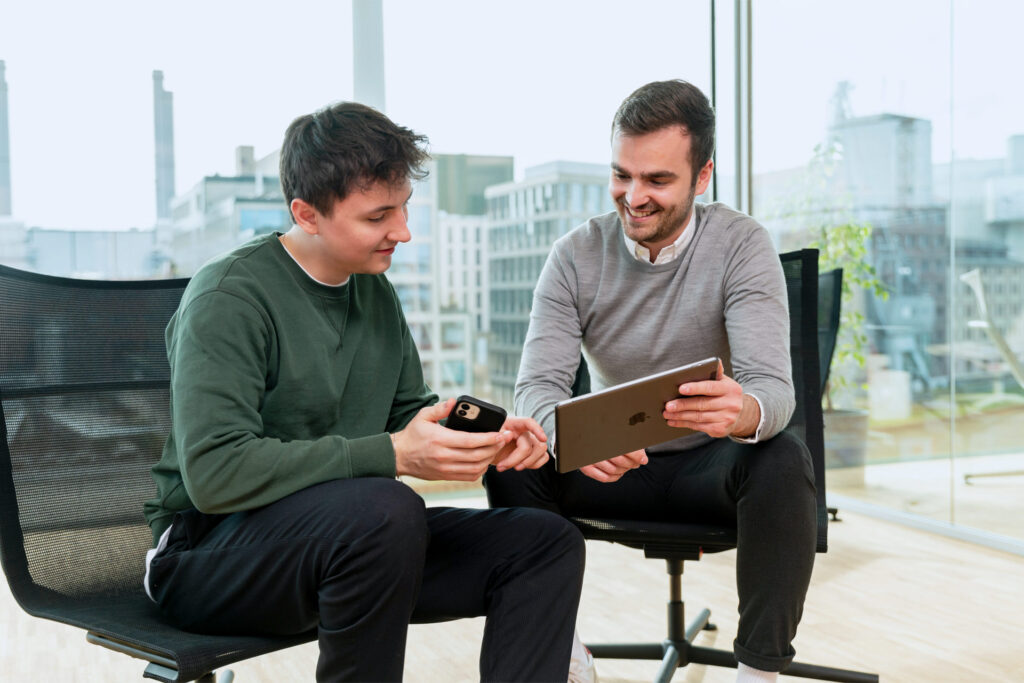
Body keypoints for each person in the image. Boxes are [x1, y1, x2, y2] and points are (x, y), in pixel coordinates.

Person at [142, 101, 585, 682]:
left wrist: (483, 438)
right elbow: (215, 472)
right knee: (386, 508)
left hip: (355, 545)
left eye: (402, 210)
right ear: (308, 214)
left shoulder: (373, 292)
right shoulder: (228, 298)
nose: (400, 232)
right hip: (207, 557)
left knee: (544, 543)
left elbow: (404, 412)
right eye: (378, 217)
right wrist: (393, 454)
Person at [484, 80, 818, 683]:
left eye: (657, 180)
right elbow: (536, 387)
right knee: (511, 456)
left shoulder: (742, 245)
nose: (633, 197)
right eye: (621, 175)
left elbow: (775, 391)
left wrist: (742, 411)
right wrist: (571, 439)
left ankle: (758, 671)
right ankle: (560, 649)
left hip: (710, 467)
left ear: (702, 175)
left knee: (784, 459)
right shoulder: (574, 255)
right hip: (612, 467)